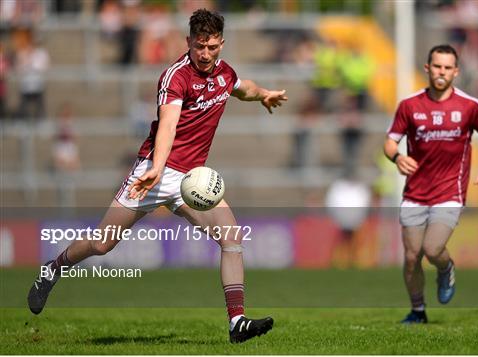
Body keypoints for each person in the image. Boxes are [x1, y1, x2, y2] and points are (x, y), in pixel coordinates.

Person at [27, 9, 287, 343]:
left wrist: (263, 93)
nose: (205, 54)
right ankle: (54, 267)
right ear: (188, 42)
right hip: (153, 172)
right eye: (199, 46)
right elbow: (167, 125)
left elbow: (243, 88)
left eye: (211, 47)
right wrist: (157, 167)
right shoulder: (175, 77)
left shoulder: (224, 74)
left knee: (232, 237)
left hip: (191, 181)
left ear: (221, 44)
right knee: (102, 243)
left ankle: (236, 322)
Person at [383, 44, 478, 324]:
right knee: (412, 257)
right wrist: (398, 157)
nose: (442, 72)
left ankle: (446, 267)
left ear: (456, 72)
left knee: (433, 248)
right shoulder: (409, 105)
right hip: (415, 193)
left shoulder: (470, 106)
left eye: (448, 68)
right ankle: (418, 311)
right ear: (427, 68)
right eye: (437, 66)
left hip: (450, 192)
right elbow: (390, 142)